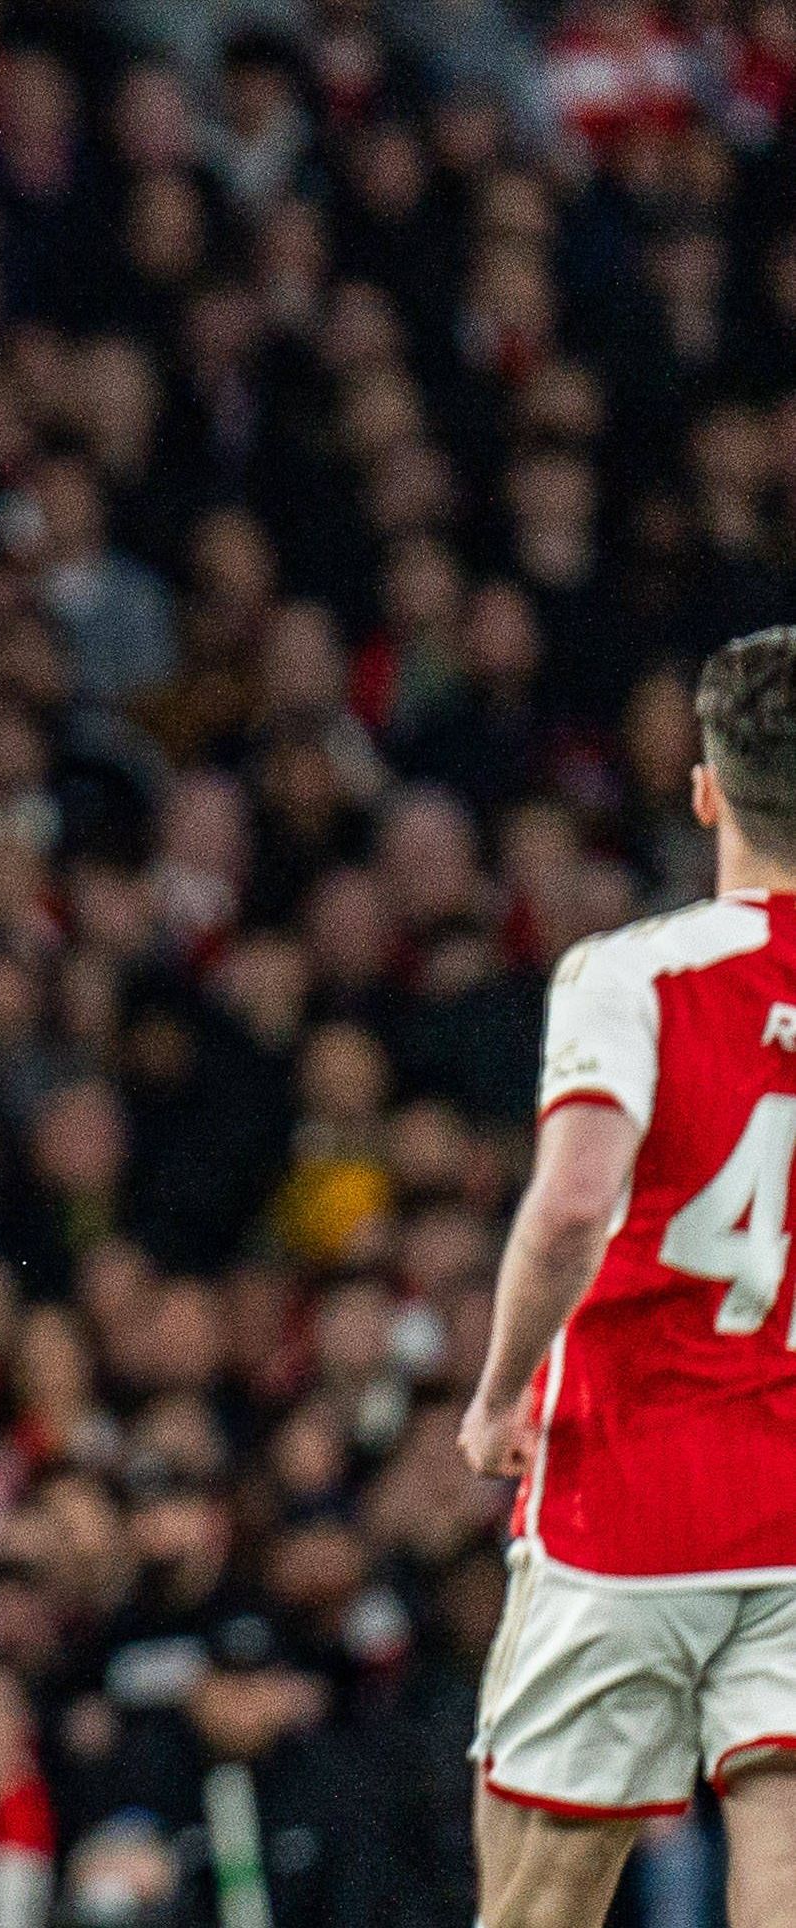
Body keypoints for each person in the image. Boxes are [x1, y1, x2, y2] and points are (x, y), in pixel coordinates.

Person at [459, 625, 796, 1928]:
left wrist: (498, 1399)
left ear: (706, 787)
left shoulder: (636, 975)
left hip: (627, 1496)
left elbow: (574, 1206)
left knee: (541, 1901)